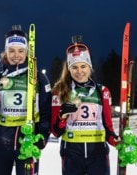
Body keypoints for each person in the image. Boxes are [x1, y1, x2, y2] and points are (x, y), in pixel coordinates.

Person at [0, 25, 52, 175]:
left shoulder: (39, 78)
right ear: (5, 52)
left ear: (27, 52)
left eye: (21, 51)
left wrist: (42, 137)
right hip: (2, 143)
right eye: (11, 51)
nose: (16, 55)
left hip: (27, 141)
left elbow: (46, 112)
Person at [51, 36, 120, 175]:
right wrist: (62, 116)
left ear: (90, 67)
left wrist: (117, 141)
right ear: (69, 69)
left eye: (83, 66)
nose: (79, 71)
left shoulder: (102, 91)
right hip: (71, 153)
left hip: (98, 154)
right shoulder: (60, 90)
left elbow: (108, 129)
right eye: (74, 67)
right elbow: (55, 131)